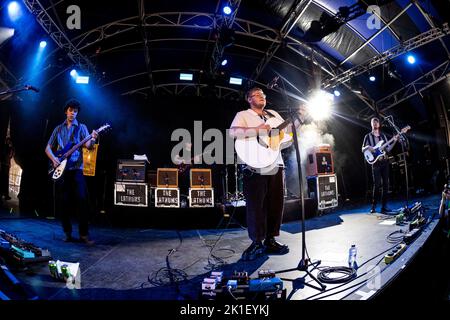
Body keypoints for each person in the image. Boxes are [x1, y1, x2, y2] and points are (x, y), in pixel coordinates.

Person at [229, 87, 306, 261]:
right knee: (256, 205)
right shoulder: (243, 114)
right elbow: (234, 132)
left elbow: (288, 136)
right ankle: (256, 242)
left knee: (275, 203)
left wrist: (299, 119)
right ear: (249, 98)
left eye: (263, 95)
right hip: (254, 164)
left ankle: (270, 240)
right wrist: (258, 130)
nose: (262, 97)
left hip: (276, 163)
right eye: (257, 94)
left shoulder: (274, 114)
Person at [45, 99, 98, 245]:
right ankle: (67, 233)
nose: (72, 113)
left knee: (82, 201)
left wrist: (93, 138)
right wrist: (55, 159)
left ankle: (83, 234)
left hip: (77, 170)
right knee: (64, 203)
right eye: (70, 110)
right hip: (62, 170)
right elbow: (47, 148)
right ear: (66, 111)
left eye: (75, 111)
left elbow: (88, 146)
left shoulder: (82, 128)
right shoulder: (58, 129)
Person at [362, 117, 399, 213]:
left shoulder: (383, 137)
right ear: (371, 124)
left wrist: (394, 140)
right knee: (377, 185)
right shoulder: (368, 136)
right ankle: (373, 206)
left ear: (379, 124)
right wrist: (368, 147)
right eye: (373, 122)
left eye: (376, 122)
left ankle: (384, 206)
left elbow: (388, 149)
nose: (375, 123)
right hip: (375, 163)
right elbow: (362, 149)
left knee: (386, 185)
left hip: (385, 162)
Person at [1, 137, 15, 201]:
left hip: (6, 164)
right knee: (4, 179)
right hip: (4, 164)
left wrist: (11, 149)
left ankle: (5, 194)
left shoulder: (8, 148)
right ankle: (4, 194)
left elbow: (11, 156)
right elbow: (9, 155)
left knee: (5, 179)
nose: (9, 142)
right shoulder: (6, 147)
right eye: (8, 141)